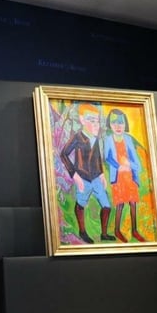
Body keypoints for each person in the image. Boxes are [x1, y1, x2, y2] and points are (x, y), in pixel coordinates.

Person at [59, 103, 113, 243]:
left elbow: (97, 156)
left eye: (97, 121)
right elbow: (63, 154)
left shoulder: (96, 138)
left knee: (106, 206)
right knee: (80, 204)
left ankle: (104, 234)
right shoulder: (77, 137)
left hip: (96, 177)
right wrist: (75, 175)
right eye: (92, 120)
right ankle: (82, 232)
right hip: (83, 178)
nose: (96, 124)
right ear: (82, 120)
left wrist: (101, 173)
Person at [103, 108, 145, 242]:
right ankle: (117, 230)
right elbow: (107, 157)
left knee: (133, 203)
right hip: (118, 177)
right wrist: (118, 166)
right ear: (110, 124)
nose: (118, 126)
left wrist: (129, 165)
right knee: (120, 204)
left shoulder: (128, 139)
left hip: (130, 177)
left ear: (125, 124)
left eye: (121, 122)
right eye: (114, 122)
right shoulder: (108, 139)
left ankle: (134, 231)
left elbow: (135, 159)